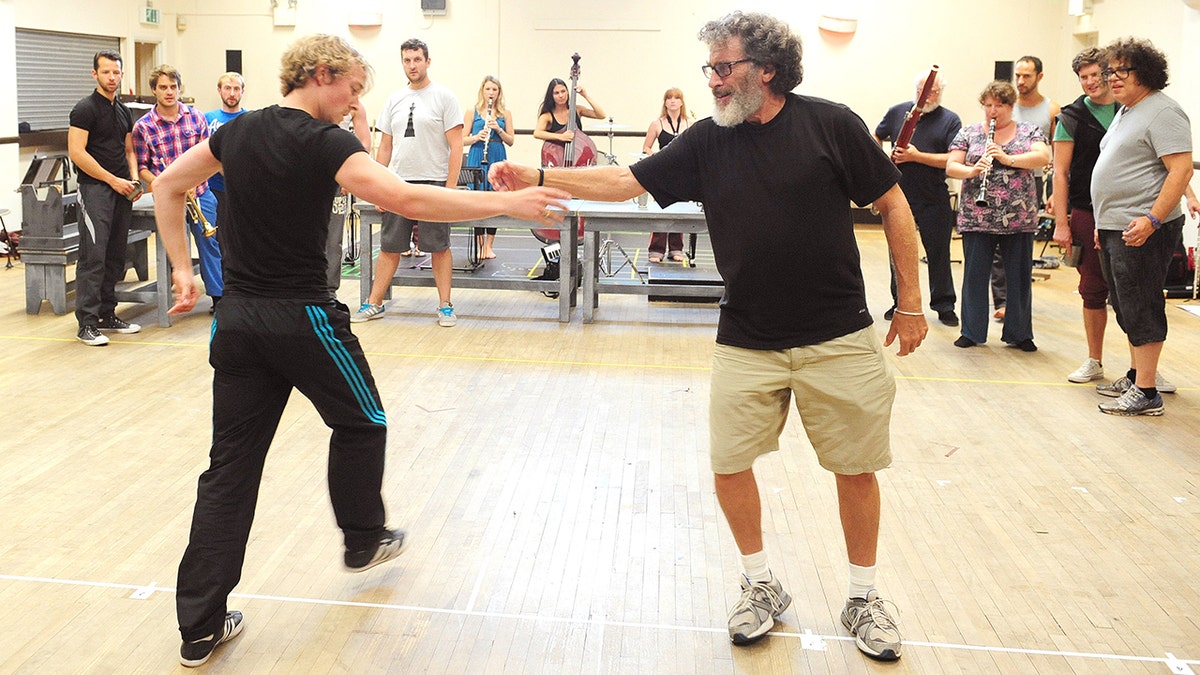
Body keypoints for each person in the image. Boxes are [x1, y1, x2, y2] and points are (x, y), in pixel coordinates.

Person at [491, 10, 926, 661]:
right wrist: (538, 176)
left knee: (855, 466)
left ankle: (862, 595)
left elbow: (893, 203)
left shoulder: (831, 123)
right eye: (711, 69)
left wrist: (911, 303)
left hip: (839, 333)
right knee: (728, 465)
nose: (715, 81)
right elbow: (626, 179)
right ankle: (760, 582)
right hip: (746, 336)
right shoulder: (705, 139)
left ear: (768, 69)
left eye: (725, 68)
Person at [151, 34, 568, 667]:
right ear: (321, 76)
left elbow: (167, 187)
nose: (353, 103)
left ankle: (200, 625)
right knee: (364, 422)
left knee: (229, 470)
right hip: (304, 319)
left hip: (235, 322)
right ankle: (364, 537)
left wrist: (183, 270)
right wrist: (506, 202)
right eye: (351, 88)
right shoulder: (325, 143)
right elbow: (405, 196)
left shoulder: (233, 134)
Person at [1091, 38, 1194, 416]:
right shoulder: (1128, 110)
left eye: (1122, 71)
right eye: (1109, 71)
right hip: (1117, 226)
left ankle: (1147, 392)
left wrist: (1151, 219)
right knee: (1124, 303)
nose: (1112, 78)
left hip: (1144, 227)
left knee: (1142, 303)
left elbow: (1180, 170)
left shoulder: (1163, 112)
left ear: (1145, 73)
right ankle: (1137, 376)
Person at [352, 38, 463, 327]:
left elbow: (456, 147)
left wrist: (450, 188)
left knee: (438, 246)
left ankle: (445, 305)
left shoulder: (444, 97)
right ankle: (374, 303)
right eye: (407, 60)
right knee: (390, 245)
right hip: (397, 183)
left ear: (428, 61)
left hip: (434, 183)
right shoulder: (394, 99)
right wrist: (377, 184)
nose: (412, 65)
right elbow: (385, 147)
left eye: (417, 59)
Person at [946, 81, 1050, 352]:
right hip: (977, 216)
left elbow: (1042, 157)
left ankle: (1019, 333)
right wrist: (972, 171)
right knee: (974, 276)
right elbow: (952, 165)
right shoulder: (968, 132)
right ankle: (971, 331)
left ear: (1011, 106)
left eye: (999, 105)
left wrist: (1007, 158)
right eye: (988, 105)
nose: (993, 111)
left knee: (1019, 277)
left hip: (1018, 217)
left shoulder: (1029, 130)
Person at [1051, 49, 1121, 383]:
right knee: (1092, 288)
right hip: (1086, 211)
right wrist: (1062, 223)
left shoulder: (1130, 108)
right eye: (1084, 77)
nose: (1091, 82)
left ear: (1112, 74)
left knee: (1133, 290)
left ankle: (1144, 368)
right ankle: (1095, 359)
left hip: (1128, 213)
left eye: (1097, 74)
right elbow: (1060, 173)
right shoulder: (1071, 117)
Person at [66, 49, 143, 346]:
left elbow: (128, 151)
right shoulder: (84, 109)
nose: (112, 77)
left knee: (115, 255)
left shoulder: (124, 111)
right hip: (95, 190)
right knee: (93, 257)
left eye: (116, 72)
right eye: (106, 71)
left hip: (122, 191)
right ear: (94, 73)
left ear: (122, 74)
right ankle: (86, 323)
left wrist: (133, 180)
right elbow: (77, 153)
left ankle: (107, 315)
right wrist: (113, 180)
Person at [874, 70, 962, 326]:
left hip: (933, 197)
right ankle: (899, 302)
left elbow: (953, 159)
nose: (928, 95)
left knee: (938, 253)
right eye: (924, 90)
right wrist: (880, 162)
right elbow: (877, 136)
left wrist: (916, 156)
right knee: (897, 253)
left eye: (934, 91)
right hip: (899, 195)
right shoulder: (897, 112)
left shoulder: (950, 120)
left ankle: (944, 305)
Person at [134, 65, 224, 311]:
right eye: (163, 87)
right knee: (171, 248)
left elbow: (210, 158)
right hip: (168, 198)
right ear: (154, 90)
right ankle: (173, 296)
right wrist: (166, 185)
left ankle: (218, 298)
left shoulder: (197, 117)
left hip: (200, 192)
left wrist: (193, 182)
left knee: (210, 244)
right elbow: (142, 168)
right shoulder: (143, 127)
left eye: (173, 87)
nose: (169, 92)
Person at [991, 56, 1061, 322]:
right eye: (1017, 75)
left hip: (1032, 181)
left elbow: (1059, 154)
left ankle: (1018, 302)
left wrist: (1056, 192)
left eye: (1027, 76)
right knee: (997, 245)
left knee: (1020, 244)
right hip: (1000, 179)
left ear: (1039, 77)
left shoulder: (1052, 110)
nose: (1020, 81)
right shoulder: (1006, 107)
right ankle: (1002, 301)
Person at [462, 75, 515, 260]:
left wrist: (498, 130)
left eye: (494, 89)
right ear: (482, 91)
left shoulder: (504, 113)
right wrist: (477, 136)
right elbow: (461, 139)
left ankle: (489, 246)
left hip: (497, 154)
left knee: (495, 200)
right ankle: (480, 245)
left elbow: (511, 141)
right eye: (488, 89)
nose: (491, 93)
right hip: (478, 154)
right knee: (478, 202)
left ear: (499, 92)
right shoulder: (472, 111)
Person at [641, 87, 692, 263]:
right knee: (661, 210)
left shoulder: (690, 123)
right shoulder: (657, 123)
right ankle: (656, 249)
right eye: (669, 98)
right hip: (663, 173)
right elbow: (646, 147)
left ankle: (676, 249)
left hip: (683, 174)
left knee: (680, 211)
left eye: (676, 98)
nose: (672, 101)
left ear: (681, 102)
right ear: (665, 102)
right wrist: (655, 159)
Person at [326, 101, 371, 293]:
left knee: (333, 238)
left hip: (337, 178)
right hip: (310, 176)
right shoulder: (315, 100)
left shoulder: (356, 106)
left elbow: (365, 144)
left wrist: (350, 177)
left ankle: (329, 290)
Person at [204, 72, 248, 221]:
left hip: (241, 190)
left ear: (243, 91)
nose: (232, 93)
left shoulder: (250, 120)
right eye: (227, 88)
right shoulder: (207, 119)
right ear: (219, 90)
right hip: (213, 188)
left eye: (236, 89)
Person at [532, 77, 606, 159]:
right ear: (551, 96)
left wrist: (586, 96)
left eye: (563, 91)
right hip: (557, 158)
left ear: (567, 92)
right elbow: (537, 133)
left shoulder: (577, 110)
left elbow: (601, 115)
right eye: (556, 93)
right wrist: (561, 136)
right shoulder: (547, 116)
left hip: (577, 156)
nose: (561, 95)